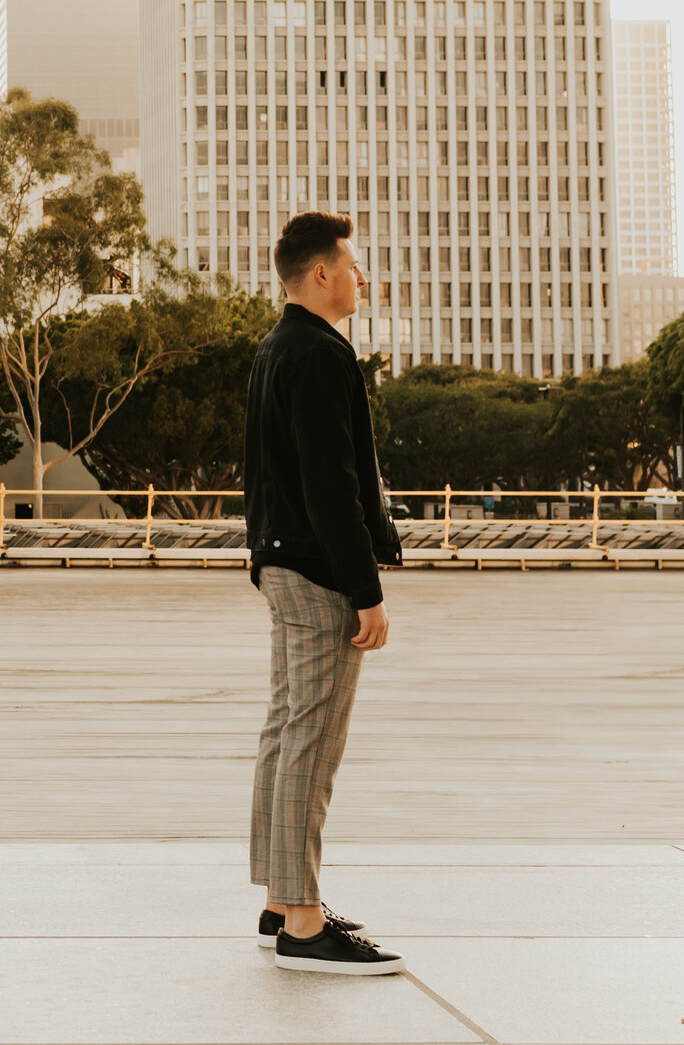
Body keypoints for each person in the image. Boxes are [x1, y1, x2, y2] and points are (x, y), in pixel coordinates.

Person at [244, 210, 405, 975]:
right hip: (316, 572)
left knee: (286, 731)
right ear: (320, 275)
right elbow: (331, 483)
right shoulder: (320, 354)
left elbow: (264, 476)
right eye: (353, 266)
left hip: (280, 562)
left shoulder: (273, 351)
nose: (361, 278)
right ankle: (304, 923)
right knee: (312, 739)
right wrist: (364, 587)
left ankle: (284, 899)